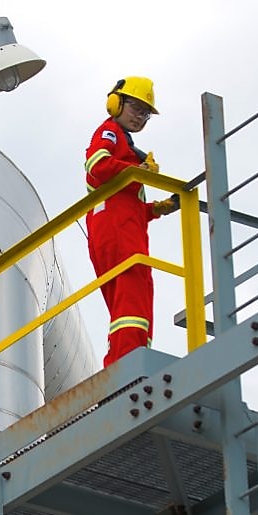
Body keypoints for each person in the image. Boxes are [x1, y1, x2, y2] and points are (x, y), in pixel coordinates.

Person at [84, 76, 179, 367]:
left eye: (145, 113)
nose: (140, 116)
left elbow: (128, 206)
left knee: (125, 302)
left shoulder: (123, 144)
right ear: (116, 103)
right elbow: (97, 166)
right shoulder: (110, 131)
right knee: (132, 298)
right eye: (136, 108)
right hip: (118, 233)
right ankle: (130, 365)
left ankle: (120, 362)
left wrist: (156, 209)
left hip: (118, 229)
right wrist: (138, 168)